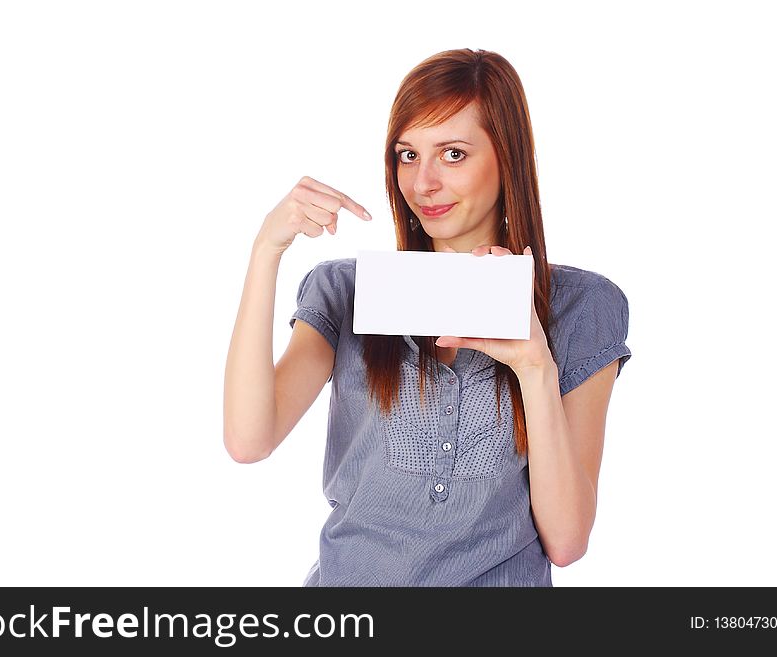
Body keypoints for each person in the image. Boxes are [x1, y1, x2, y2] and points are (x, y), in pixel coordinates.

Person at [223, 48, 632, 586]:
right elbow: (249, 440)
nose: (422, 183)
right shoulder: (346, 291)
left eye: (453, 154)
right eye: (408, 155)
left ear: (507, 157)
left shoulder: (582, 306)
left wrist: (535, 367)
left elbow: (567, 540)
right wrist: (265, 252)